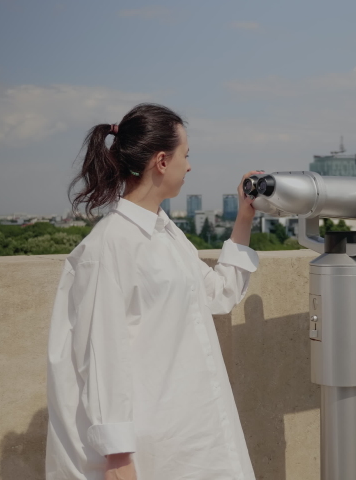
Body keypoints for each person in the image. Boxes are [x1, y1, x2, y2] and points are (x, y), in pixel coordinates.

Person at [46, 103, 264, 480]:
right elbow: (101, 354)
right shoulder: (110, 245)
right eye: (186, 154)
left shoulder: (165, 233)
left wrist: (244, 217)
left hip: (191, 429)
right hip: (149, 447)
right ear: (162, 161)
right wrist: (117, 458)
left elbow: (217, 293)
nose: (190, 165)